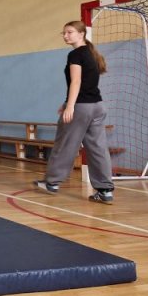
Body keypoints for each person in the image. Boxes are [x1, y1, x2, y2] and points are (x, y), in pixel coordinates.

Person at [34, 21, 114, 204]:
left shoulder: (75, 54)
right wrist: (66, 103)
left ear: (81, 34)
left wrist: (70, 106)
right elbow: (86, 83)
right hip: (98, 106)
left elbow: (76, 82)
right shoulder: (92, 53)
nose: (65, 36)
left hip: (81, 107)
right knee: (98, 148)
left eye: (69, 32)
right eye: (63, 33)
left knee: (65, 144)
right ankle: (105, 191)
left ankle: (51, 183)